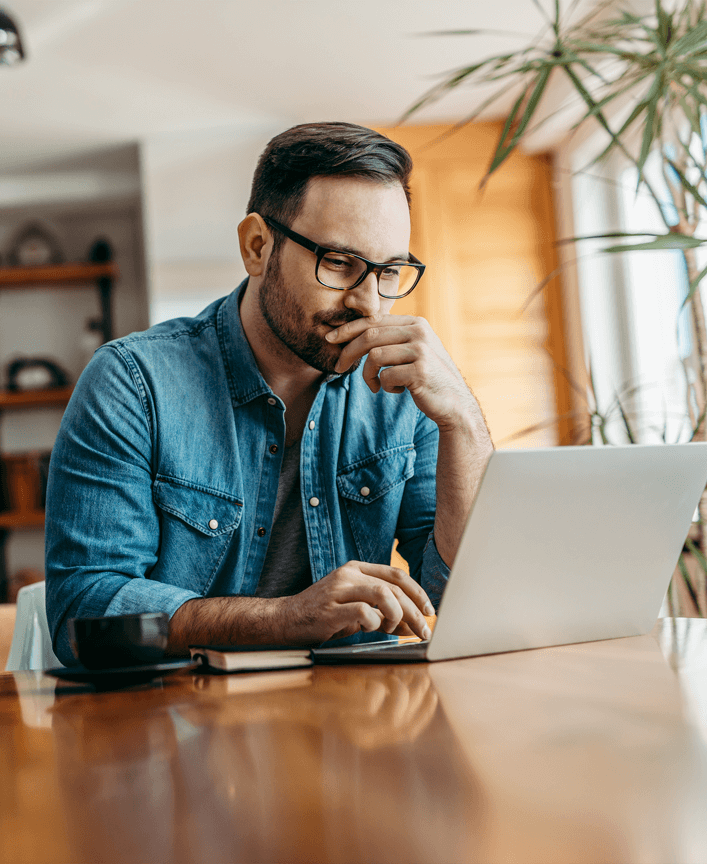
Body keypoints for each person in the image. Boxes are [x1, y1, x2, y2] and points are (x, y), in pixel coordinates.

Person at [45, 122, 493, 665]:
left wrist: (462, 422)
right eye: (339, 263)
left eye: (390, 271)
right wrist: (289, 619)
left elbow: (466, 594)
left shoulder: (406, 391)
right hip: (180, 726)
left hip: (358, 726)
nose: (370, 302)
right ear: (257, 246)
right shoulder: (133, 383)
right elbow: (83, 614)